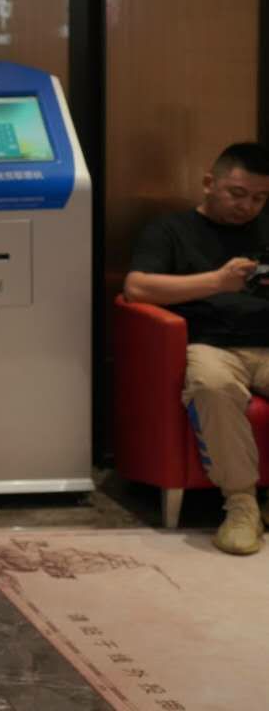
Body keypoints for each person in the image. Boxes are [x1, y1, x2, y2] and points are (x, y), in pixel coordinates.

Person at [124, 141, 269, 555]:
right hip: (210, 344)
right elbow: (136, 288)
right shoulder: (171, 230)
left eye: (259, 198)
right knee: (213, 386)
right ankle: (241, 506)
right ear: (209, 183)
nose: (247, 206)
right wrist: (218, 282)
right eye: (237, 194)